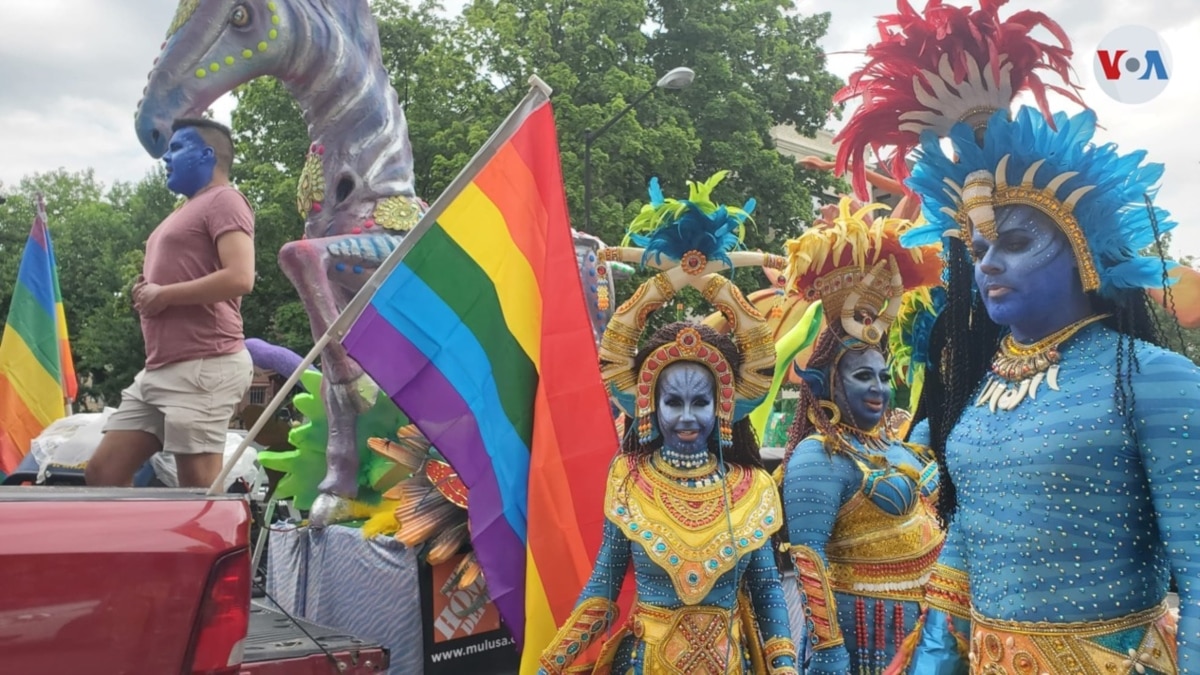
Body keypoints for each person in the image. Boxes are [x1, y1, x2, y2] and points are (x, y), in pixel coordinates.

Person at [893, 104, 1199, 674]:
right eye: (979, 251)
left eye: (1013, 242)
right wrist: (933, 662)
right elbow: (969, 544)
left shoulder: (1155, 377)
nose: (989, 266)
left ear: (1084, 249)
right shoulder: (983, 385)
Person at [537, 174, 798, 674]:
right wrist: (555, 661)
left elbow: (766, 592)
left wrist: (784, 665)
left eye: (699, 402)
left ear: (722, 407)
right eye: (672, 401)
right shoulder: (630, 479)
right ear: (649, 407)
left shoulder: (752, 486)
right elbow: (603, 587)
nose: (685, 416)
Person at [778, 197, 945, 674]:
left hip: (931, 627)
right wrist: (828, 649)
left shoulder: (899, 443)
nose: (879, 388)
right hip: (867, 630)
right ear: (827, 382)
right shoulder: (819, 454)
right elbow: (808, 560)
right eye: (862, 377)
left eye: (884, 375)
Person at [86, 118, 255, 489]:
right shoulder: (183, 210)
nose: (166, 156)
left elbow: (241, 277)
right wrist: (147, 291)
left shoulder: (225, 199)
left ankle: (218, 548)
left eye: (178, 148)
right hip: (160, 368)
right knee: (103, 473)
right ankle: (137, 549)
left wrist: (163, 295)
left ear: (208, 155)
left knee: (196, 492)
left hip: (205, 364)